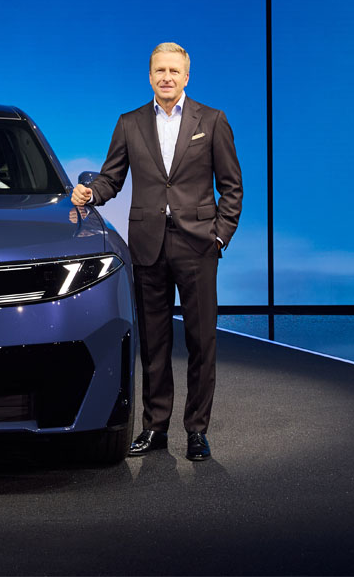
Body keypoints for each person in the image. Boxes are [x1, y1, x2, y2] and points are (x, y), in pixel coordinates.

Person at [72, 42, 242, 461]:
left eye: (174, 71)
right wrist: (91, 192)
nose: (166, 77)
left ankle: (197, 431)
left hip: (197, 245)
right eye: (159, 71)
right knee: (153, 343)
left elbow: (232, 186)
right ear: (150, 76)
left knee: (202, 341)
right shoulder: (129, 123)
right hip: (147, 246)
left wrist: (219, 235)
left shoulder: (213, 121)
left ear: (186, 77)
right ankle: (155, 427)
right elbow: (112, 179)